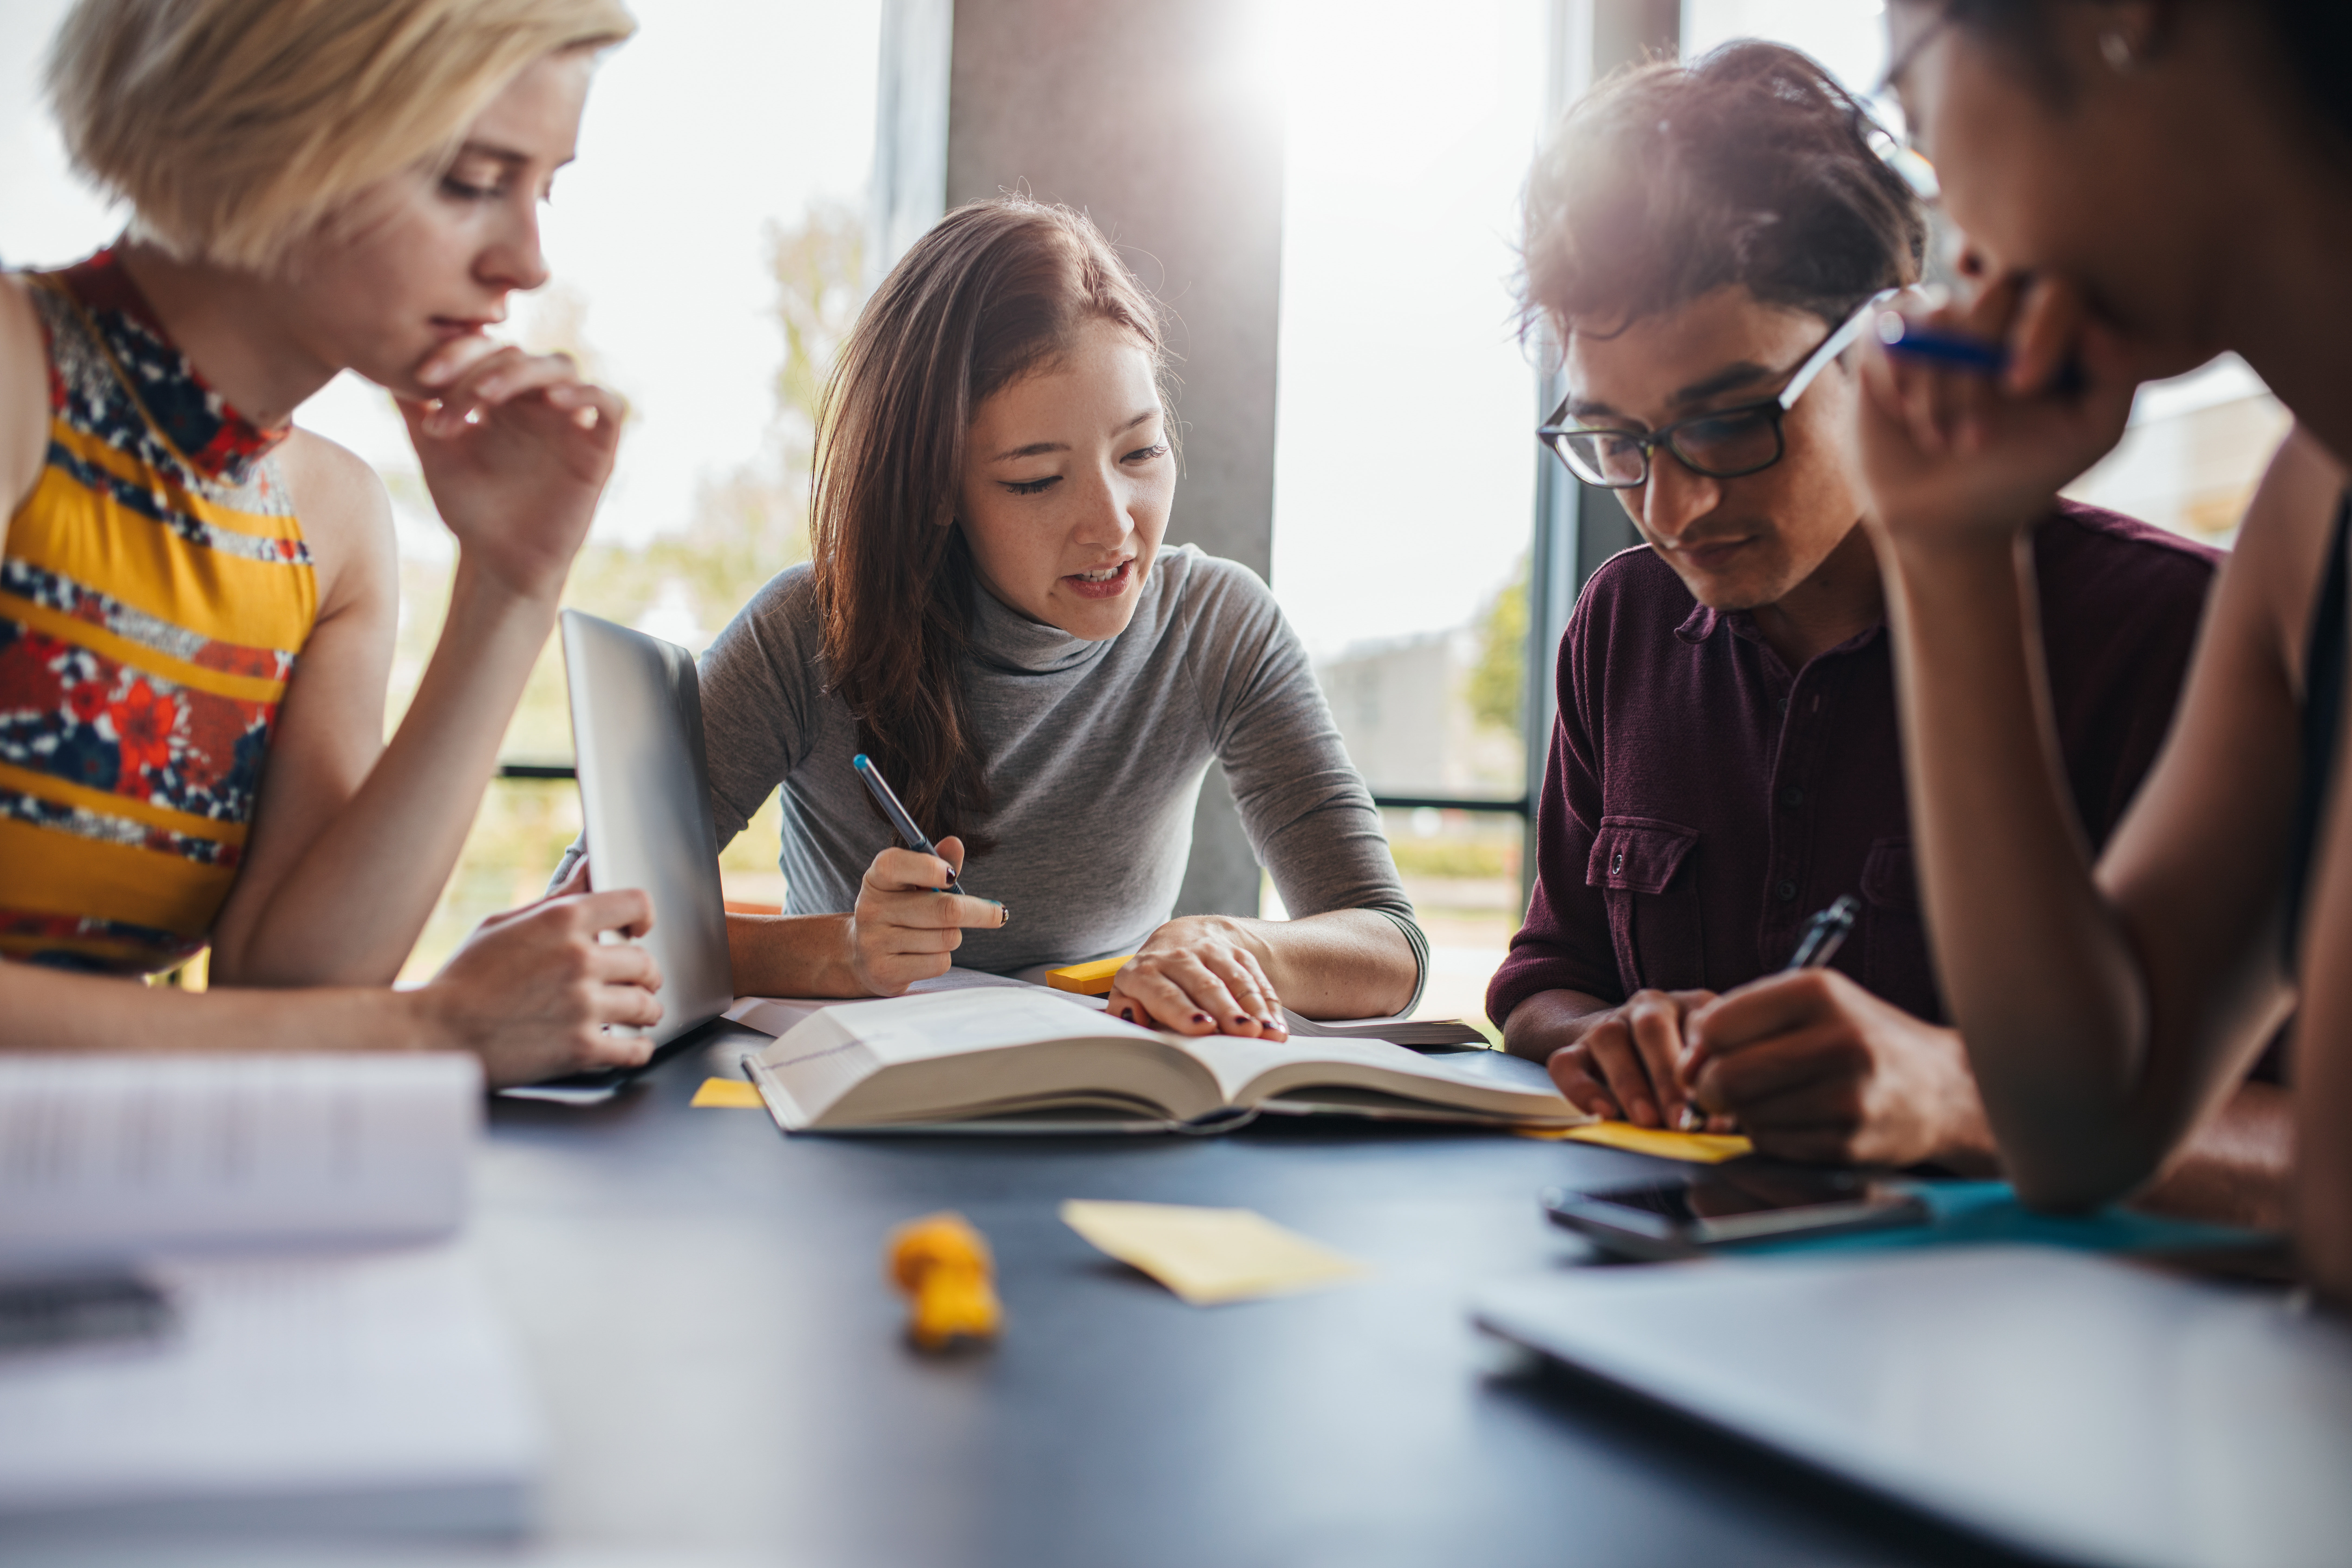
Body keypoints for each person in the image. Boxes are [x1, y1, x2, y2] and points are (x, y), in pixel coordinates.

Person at [1486, 41, 2287, 1213]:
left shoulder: (2179, 632)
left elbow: (2306, 1142)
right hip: (1674, 1287)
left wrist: (1959, 1099)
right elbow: (1547, 978)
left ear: (1885, 339)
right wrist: (1616, 1036)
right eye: (1619, 441)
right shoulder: (1623, 623)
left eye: (1731, 421)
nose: (1672, 506)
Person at [0, 0, 664, 1085]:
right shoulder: (16, 371)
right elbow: (332, 1027)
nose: (529, 262)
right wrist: (428, 1029)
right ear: (275, 130)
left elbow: (288, 991)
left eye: (544, 188)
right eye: (471, 181)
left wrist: (512, 584)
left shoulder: (336, 520)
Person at [566, 198, 1424, 1036]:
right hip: (855, 1126)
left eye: (1142, 451)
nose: (1115, 522)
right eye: (1036, 480)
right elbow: (582, 925)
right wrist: (842, 954)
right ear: (937, 488)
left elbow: (1392, 946)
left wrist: (1240, 945)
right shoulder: (811, 629)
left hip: (1110, 1108)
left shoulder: (1218, 624)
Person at [1853, 0, 2352, 1287]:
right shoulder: (2307, 520)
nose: (1945, 206)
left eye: (1916, 106)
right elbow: (2085, 1123)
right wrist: (1952, 550)